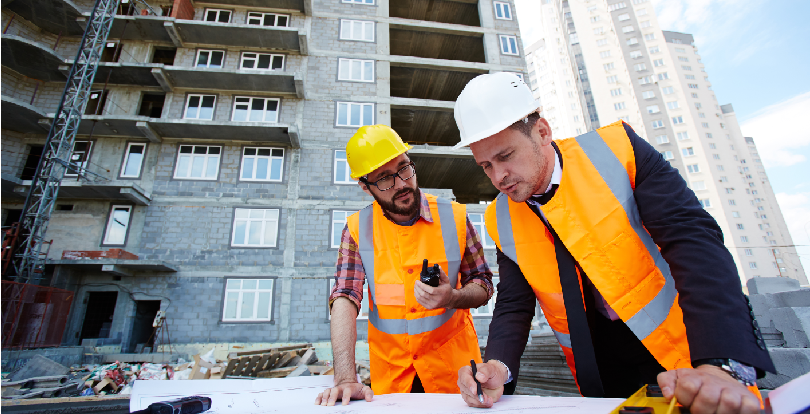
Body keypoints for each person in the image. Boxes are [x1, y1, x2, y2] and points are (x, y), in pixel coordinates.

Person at [452, 73, 774, 414]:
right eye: (485, 165)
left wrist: (721, 361)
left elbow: (693, 242)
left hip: (687, 349)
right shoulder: (500, 217)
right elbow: (514, 304)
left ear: (542, 132)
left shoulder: (618, 151)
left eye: (505, 156)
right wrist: (498, 365)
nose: (498, 176)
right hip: (599, 367)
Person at [314, 125, 494, 406]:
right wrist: (345, 378)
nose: (401, 184)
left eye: (404, 169)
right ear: (365, 186)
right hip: (393, 379)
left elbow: (483, 284)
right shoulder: (357, 229)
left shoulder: (455, 217)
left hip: (455, 377)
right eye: (384, 179)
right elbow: (345, 298)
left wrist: (453, 297)